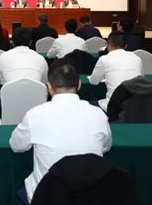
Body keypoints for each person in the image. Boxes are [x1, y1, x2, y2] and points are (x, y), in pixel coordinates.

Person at [10, 63, 112, 205]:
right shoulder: (98, 114)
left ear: (49, 87)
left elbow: (16, 146)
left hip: (46, 197)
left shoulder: (35, 115)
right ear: (79, 85)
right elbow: (106, 146)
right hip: (91, 197)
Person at [88, 31, 143, 111]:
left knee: (89, 103)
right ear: (126, 46)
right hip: (135, 106)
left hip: (113, 107)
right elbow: (141, 79)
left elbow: (93, 81)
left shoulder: (104, 59)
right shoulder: (137, 58)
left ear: (109, 45)